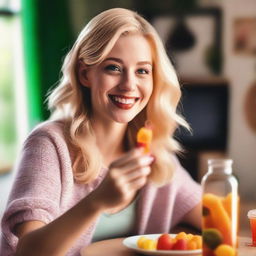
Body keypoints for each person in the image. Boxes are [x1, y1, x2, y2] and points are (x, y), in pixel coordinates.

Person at [0, 8, 202, 256]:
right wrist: (97, 201)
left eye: (142, 71)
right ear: (86, 74)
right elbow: (28, 252)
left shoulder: (153, 154)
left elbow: (212, 219)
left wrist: (180, 232)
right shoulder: (49, 144)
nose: (129, 85)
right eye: (114, 68)